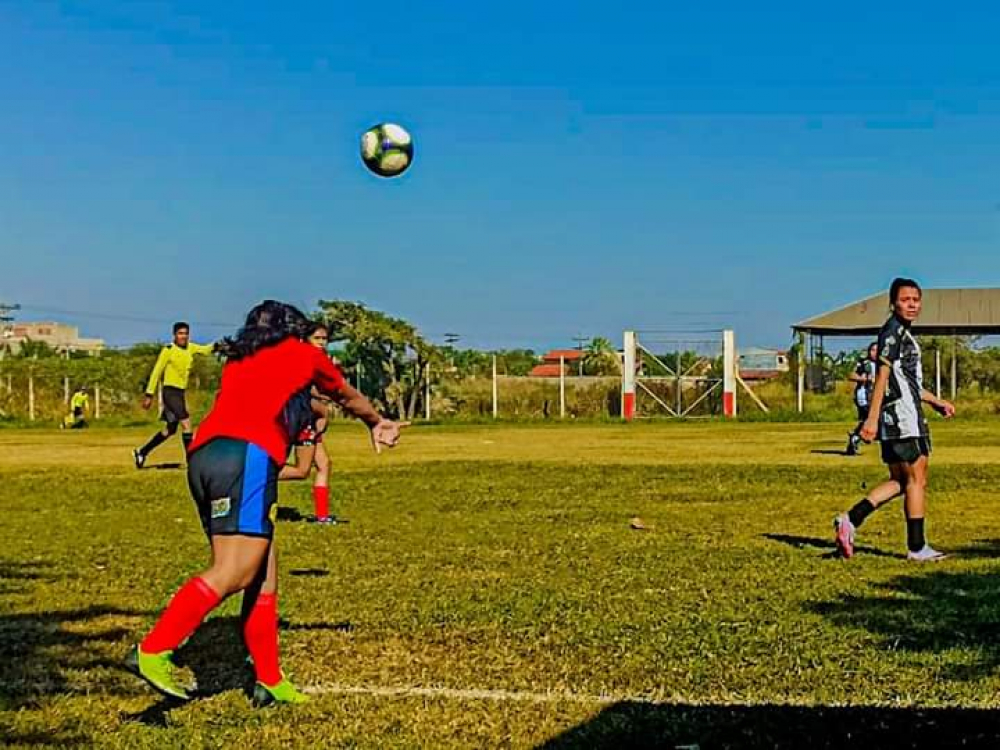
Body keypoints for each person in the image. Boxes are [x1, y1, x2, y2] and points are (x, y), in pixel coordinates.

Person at [126, 300, 407, 706]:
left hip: (204, 458)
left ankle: (269, 679)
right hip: (249, 455)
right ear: (294, 328)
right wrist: (377, 422)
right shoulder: (304, 354)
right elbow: (345, 395)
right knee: (235, 570)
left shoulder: (239, 359)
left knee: (262, 573)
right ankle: (153, 649)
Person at [834, 278, 955, 561]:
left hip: (903, 414)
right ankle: (917, 547)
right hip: (902, 417)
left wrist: (936, 401)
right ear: (893, 303)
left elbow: (907, 382)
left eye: (916, 299)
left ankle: (850, 519)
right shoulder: (892, 333)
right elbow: (883, 378)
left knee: (900, 480)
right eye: (905, 299)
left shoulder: (901, 333)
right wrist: (871, 419)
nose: (911, 304)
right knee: (916, 479)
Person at [133, 322, 215, 468]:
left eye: (185, 333)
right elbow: (156, 371)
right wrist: (149, 394)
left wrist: (220, 346)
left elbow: (205, 350)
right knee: (187, 424)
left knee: (170, 430)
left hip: (180, 393)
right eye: (180, 333)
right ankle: (192, 461)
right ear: (174, 335)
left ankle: (142, 452)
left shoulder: (191, 348)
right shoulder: (168, 350)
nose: (183, 336)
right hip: (170, 392)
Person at [278, 322, 337, 524]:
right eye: (317, 338)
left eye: (324, 339)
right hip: (298, 418)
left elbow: (308, 389)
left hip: (308, 418)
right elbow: (300, 395)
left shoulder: (318, 360)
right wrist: (322, 409)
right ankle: (257, 476)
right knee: (302, 471)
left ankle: (322, 516)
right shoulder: (302, 359)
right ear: (306, 339)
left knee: (324, 464)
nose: (322, 343)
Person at [844, 342, 878, 455]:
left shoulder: (882, 364)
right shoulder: (864, 364)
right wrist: (863, 379)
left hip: (876, 397)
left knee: (868, 420)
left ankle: (855, 438)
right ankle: (856, 438)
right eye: (872, 350)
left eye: (877, 350)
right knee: (870, 419)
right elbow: (851, 375)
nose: (875, 352)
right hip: (864, 397)